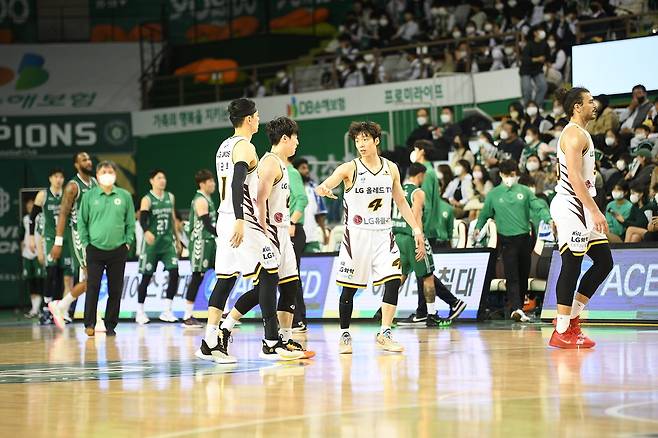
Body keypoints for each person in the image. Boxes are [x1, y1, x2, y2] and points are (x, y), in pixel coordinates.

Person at [197, 98, 295, 363]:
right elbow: (237, 181)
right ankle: (272, 340)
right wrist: (241, 219)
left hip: (224, 216)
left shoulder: (223, 146)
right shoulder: (245, 146)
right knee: (271, 269)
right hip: (241, 218)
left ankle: (210, 341)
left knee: (226, 278)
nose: (259, 119)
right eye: (257, 115)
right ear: (250, 119)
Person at [316, 121, 425, 354]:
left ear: (376, 141)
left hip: (384, 234)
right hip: (356, 236)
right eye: (357, 140)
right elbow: (328, 183)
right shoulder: (349, 168)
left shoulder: (391, 168)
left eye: (365, 139)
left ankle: (385, 332)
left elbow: (401, 201)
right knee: (349, 289)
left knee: (394, 280)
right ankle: (345, 334)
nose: (361, 144)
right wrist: (324, 188)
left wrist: (416, 229)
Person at [219, 117, 311, 359]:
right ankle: (230, 328)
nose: (297, 143)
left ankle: (285, 338)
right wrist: (264, 234)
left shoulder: (282, 165)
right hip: (269, 231)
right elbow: (258, 202)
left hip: (282, 230)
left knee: (290, 286)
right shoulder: (269, 163)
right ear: (284, 139)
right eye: (295, 138)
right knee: (264, 289)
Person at [549, 87, 614, 349]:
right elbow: (575, 178)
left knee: (603, 261)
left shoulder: (582, 132)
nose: (594, 105)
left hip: (582, 204)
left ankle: (572, 318)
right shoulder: (574, 134)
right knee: (572, 263)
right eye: (589, 101)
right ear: (577, 106)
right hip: (571, 204)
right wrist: (595, 209)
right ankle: (562, 329)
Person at [474, 159, 552, 323]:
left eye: (513, 174)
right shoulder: (494, 194)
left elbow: (538, 206)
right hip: (506, 240)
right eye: (507, 175)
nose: (510, 177)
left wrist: (549, 219)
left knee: (523, 274)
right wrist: (478, 227)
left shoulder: (524, 191)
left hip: (524, 238)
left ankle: (519, 308)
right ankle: (516, 307)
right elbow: (484, 213)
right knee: (512, 275)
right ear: (501, 175)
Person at [393, 163, 464, 328]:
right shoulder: (418, 193)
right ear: (420, 175)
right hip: (412, 236)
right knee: (428, 276)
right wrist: (419, 238)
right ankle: (432, 315)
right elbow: (416, 215)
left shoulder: (396, 190)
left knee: (401, 275)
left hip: (398, 236)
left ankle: (384, 309)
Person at [78, 160, 135, 336]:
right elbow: (82, 222)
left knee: (115, 289)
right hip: (94, 249)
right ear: (97, 175)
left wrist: (127, 242)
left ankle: (111, 325)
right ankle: (89, 324)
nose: (107, 174)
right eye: (104, 171)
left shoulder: (124, 196)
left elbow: (130, 222)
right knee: (93, 286)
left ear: (115, 175)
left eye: (110, 171)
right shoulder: (89, 196)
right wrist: (86, 243)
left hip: (118, 249)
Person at [47, 152, 99, 330]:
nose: (88, 162)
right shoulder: (72, 186)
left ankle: (61, 305)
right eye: (84, 160)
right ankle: (91, 317)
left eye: (89, 159)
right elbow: (63, 213)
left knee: (92, 279)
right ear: (77, 165)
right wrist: (58, 242)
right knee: (91, 277)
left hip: (95, 234)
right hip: (79, 235)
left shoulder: (95, 183)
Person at [135, 169, 181, 325]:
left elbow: (173, 219)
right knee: (146, 277)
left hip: (167, 243)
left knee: (175, 273)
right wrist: (146, 231)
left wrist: (178, 239)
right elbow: (142, 219)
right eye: (159, 178)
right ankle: (140, 311)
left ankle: (167, 310)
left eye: (164, 177)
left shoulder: (170, 197)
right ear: (152, 181)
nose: (163, 180)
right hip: (152, 245)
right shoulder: (147, 199)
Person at [28, 168, 71, 322]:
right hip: (50, 238)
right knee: (51, 272)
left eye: (61, 177)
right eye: (56, 177)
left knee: (64, 275)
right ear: (50, 179)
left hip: (66, 239)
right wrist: (32, 237)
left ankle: (59, 309)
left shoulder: (68, 194)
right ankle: (45, 309)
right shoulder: (43, 195)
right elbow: (32, 217)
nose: (59, 179)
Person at [182, 169, 217, 328]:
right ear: (202, 184)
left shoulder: (208, 198)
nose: (213, 184)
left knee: (223, 273)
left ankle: (222, 312)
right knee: (197, 276)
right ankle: (187, 316)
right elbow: (206, 225)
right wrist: (222, 233)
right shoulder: (200, 200)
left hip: (210, 242)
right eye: (210, 181)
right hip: (200, 243)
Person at [286, 150, 309, 332]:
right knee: (286, 276)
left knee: (291, 276)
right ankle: (293, 319)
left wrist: (292, 221)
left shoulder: (291, 172)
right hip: (283, 229)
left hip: (293, 230)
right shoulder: (280, 172)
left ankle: (298, 319)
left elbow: (302, 198)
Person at [293, 158, 328, 253]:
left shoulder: (314, 188)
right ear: (295, 170)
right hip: (294, 236)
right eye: (303, 168)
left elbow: (320, 214)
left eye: (307, 168)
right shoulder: (289, 186)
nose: (307, 171)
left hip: (312, 237)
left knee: (315, 265)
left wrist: (324, 232)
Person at [21, 198, 44, 318]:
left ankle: (40, 308)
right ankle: (34, 308)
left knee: (40, 279)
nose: (30, 207)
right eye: (28, 206)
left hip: (38, 252)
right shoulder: (25, 219)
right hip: (27, 254)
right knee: (31, 281)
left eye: (32, 205)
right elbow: (22, 236)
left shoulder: (41, 217)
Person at [520, 25, 549, 108]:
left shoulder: (545, 44)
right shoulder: (529, 45)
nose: (542, 32)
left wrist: (546, 63)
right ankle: (526, 107)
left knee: (543, 86)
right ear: (534, 33)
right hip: (526, 70)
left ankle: (537, 106)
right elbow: (525, 60)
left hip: (537, 69)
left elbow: (547, 57)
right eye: (539, 30)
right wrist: (537, 59)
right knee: (527, 89)